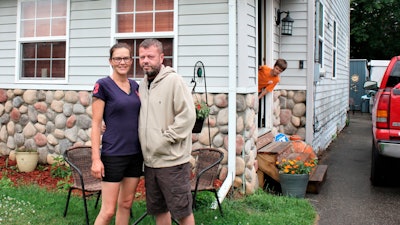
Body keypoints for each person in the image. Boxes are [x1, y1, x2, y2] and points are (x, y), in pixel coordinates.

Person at [137, 38, 196, 225]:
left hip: (172, 161)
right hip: (151, 162)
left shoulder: (174, 81)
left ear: (161, 57)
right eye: (142, 57)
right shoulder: (142, 85)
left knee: (182, 211)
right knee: (159, 210)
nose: (146, 60)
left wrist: (165, 139)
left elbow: (187, 116)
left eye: (150, 56)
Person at [91, 42, 143, 225]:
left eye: (126, 58)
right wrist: (96, 159)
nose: (122, 62)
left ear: (131, 60)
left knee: (126, 204)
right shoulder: (103, 85)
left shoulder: (136, 87)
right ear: (111, 61)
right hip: (113, 154)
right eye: (117, 58)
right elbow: (96, 124)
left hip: (135, 154)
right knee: (108, 210)